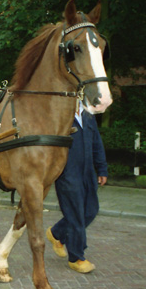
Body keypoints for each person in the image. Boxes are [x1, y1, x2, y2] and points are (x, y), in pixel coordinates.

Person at [46, 101, 108, 274]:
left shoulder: (88, 115)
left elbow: (97, 143)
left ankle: (57, 233)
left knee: (91, 210)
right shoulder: (59, 115)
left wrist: (101, 168)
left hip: (87, 172)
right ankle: (76, 258)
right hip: (67, 174)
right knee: (75, 215)